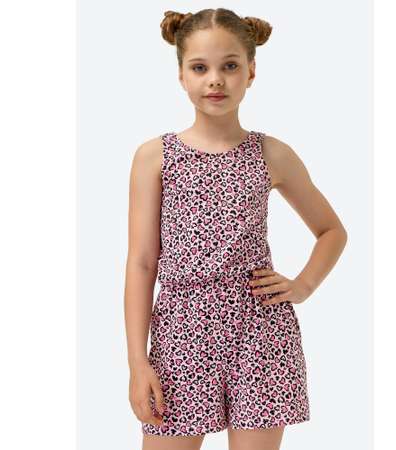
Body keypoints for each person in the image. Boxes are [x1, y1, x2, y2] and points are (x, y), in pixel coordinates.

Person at [124, 8, 347, 450]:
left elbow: (331, 230)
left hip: (260, 331)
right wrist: (137, 362)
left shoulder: (272, 154)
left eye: (229, 66)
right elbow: (143, 262)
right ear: (181, 75)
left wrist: (302, 285)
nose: (215, 80)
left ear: (251, 72)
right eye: (200, 68)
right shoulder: (154, 157)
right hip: (181, 332)